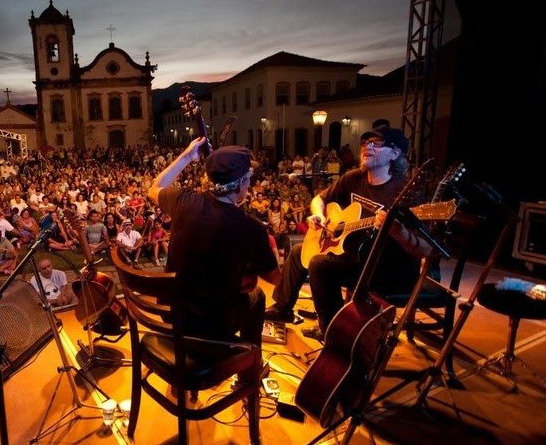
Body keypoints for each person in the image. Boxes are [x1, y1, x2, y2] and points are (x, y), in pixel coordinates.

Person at [265, 128, 431, 340]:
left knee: (319, 264)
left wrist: (397, 231)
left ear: (395, 153)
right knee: (299, 251)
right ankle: (283, 307)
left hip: (384, 269)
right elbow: (319, 200)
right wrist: (319, 216)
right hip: (354, 254)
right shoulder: (354, 178)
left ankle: (333, 332)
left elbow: (425, 248)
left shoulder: (405, 192)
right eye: (365, 142)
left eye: (377, 143)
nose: (367, 146)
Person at [147, 139, 280, 391]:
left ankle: (185, 363)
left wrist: (186, 155)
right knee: (258, 296)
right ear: (240, 185)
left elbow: (155, 186)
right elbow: (275, 279)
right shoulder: (251, 228)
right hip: (211, 331)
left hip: (171, 319)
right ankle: (248, 374)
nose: (250, 184)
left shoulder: (183, 201)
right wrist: (272, 251)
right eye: (248, 179)